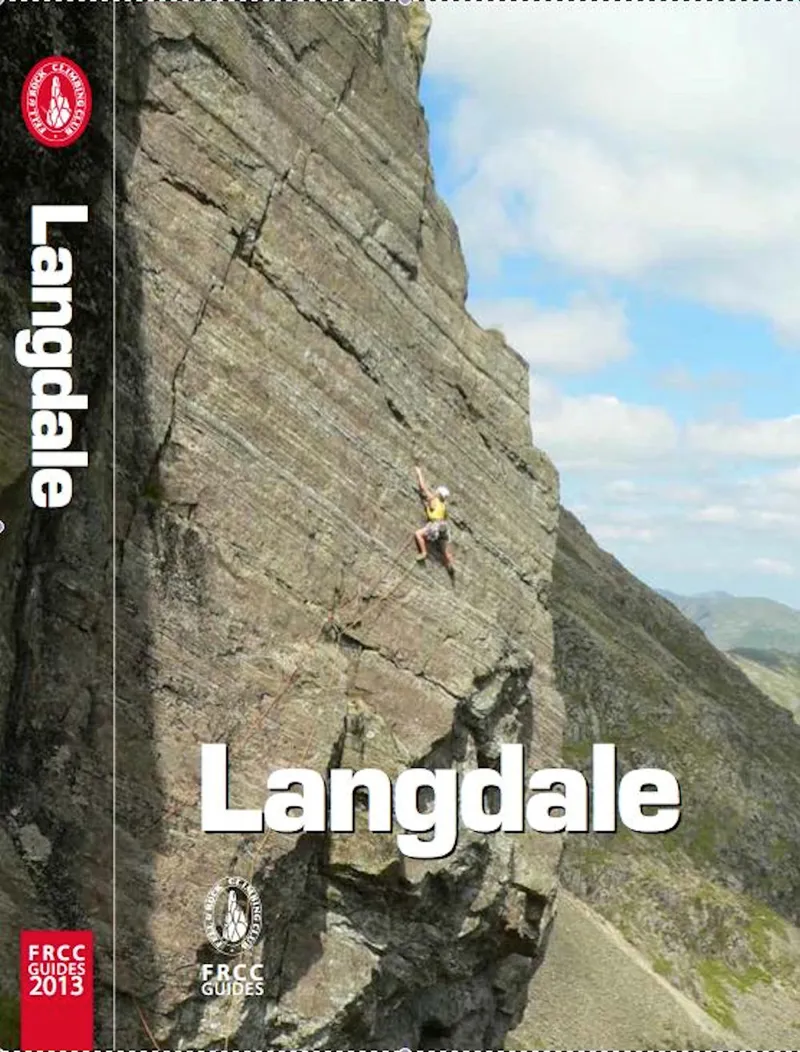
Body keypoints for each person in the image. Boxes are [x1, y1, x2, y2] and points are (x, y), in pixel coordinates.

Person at [414, 465, 455, 577]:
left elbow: (422, 488)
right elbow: (444, 517)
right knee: (443, 548)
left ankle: (423, 553)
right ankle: (449, 564)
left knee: (418, 534)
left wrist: (419, 473)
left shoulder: (434, 500)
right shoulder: (443, 506)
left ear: (438, 493)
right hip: (444, 527)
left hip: (435, 525)